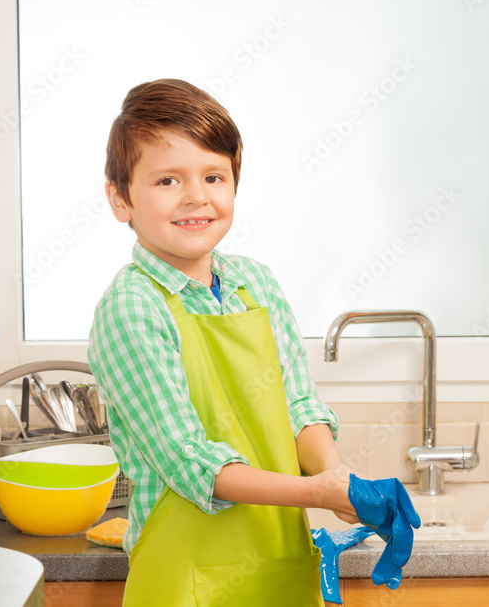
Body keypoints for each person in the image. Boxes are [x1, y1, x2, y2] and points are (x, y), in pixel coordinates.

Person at [88, 78, 359, 606]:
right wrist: (315, 493)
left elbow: (297, 408)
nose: (197, 197)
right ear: (120, 199)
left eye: (214, 176)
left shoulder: (254, 285)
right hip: (185, 582)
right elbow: (192, 462)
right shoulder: (131, 307)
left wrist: (337, 475)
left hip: (279, 569)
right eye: (167, 180)